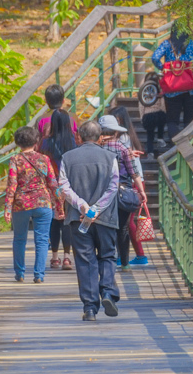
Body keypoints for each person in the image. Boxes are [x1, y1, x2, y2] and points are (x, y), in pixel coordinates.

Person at [58, 120, 121, 321]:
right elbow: (113, 186)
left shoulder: (67, 158)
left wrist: (83, 206)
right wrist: (96, 209)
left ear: (79, 136)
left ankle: (90, 308)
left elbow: (64, 187)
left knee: (85, 261)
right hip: (105, 218)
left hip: (78, 218)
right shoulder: (111, 157)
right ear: (100, 137)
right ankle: (108, 292)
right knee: (108, 255)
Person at [4, 126, 62, 284]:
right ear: (37, 141)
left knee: (19, 239)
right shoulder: (45, 159)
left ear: (17, 142)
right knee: (42, 240)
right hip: (43, 202)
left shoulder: (15, 160)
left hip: (21, 204)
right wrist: (60, 206)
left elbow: (12, 185)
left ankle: (20, 273)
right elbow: (53, 184)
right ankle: (39, 275)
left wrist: (8, 208)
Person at [99, 111, 149, 268]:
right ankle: (125, 262)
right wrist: (141, 191)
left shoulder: (96, 149)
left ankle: (107, 259)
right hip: (123, 191)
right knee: (123, 228)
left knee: (105, 226)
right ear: (115, 131)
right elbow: (133, 172)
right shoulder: (123, 148)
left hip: (102, 192)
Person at [151, 27, 193, 140]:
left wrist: (163, 68)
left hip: (172, 89)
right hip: (191, 89)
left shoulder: (166, 44)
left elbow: (155, 57)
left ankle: (175, 148)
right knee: (189, 121)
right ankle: (189, 147)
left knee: (172, 121)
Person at [40, 109, 77, 270]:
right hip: (69, 185)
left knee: (54, 222)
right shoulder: (74, 141)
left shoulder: (46, 143)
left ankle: (55, 258)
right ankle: (67, 258)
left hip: (51, 186)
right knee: (67, 221)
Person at [139, 73, 168, 155]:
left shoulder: (144, 94)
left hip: (148, 115)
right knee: (161, 124)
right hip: (158, 114)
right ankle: (160, 138)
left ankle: (150, 151)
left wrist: (142, 117)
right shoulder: (158, 93)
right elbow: (163, 106)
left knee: (149, 134)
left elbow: (141, 106)